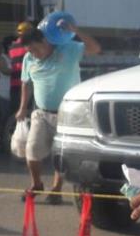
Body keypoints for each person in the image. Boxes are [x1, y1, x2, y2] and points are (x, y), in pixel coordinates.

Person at [16, 22, 101, 204]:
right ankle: (37, 183)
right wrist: (22, 107)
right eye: (29, 50)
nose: (33, 54)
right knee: (32, 151)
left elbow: (95, 48)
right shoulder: (29, 59)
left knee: (60, 155)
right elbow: (26, 83)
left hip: (67, 113)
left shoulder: (68, 50)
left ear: (45, 42)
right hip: (41, 113)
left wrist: (76, 31)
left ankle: (56, 189)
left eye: (35, 49)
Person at [0, 35, 16, 141]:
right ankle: (2, 139)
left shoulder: (16, 57)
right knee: (4, 118)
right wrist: (18, 69)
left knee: (11, 118)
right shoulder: (2, 58)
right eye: (13, 44)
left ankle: (8, 139)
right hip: (3, 94)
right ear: (8, 46)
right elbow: (5, 71)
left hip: (14, 92)